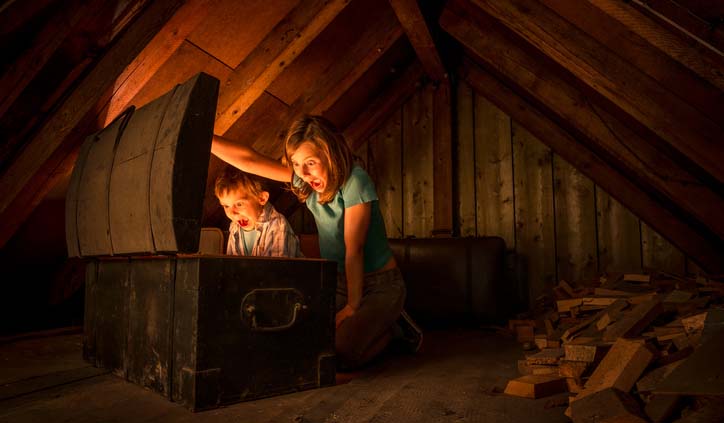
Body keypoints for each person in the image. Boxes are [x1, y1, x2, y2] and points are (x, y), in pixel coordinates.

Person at [212, 115, 422, 369]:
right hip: (340, 282)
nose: (302, 173)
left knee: (342, 352)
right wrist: (205, 137)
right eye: (297, 164)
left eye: (310, 163)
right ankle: (370, 325)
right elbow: (250, 160)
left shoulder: (355, 181)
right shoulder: (308, 181)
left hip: (380, 285)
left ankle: (394, 329)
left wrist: (352, 308)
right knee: (301, 339)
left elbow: (353, 250)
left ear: (331, 153)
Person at [215, 165, 303, 258]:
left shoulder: (277, 225)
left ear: (261, 198)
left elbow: (275, 270)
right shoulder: (234, 227)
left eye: (239, 204)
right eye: (226, 206)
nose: (232, 213)